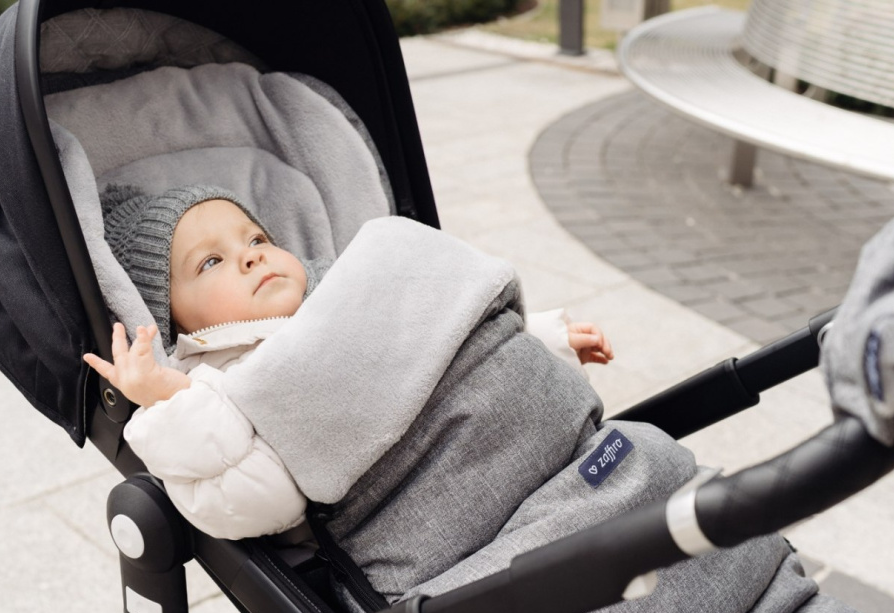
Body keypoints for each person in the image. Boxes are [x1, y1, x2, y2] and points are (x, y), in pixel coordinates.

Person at [83, 185, 615, 540]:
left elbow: (440, 332)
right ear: (172, 317)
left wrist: (537, 337)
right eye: (211, 262)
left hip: (519, 446)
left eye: (257, 238)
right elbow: (261, 499)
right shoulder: (216, 384)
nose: (251, 255)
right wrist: (170, 399)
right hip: (427, 508)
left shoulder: (348, 286)